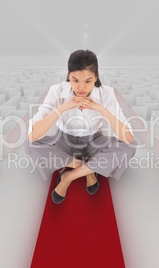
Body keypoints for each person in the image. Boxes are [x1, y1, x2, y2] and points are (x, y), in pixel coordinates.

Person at [24, 49, 137, 204]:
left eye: (88, 81)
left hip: (94, 140)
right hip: (63, 139)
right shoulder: (56, 91)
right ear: (68, 75)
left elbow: (128, 137)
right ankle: (86, 168)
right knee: (30, 143)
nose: (81, 87)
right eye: (75, 80)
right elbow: (33, 135)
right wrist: (63, 108)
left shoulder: (107, 93)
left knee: (129, 145)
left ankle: (69, 176)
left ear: (96, 78)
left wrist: (101, 109)